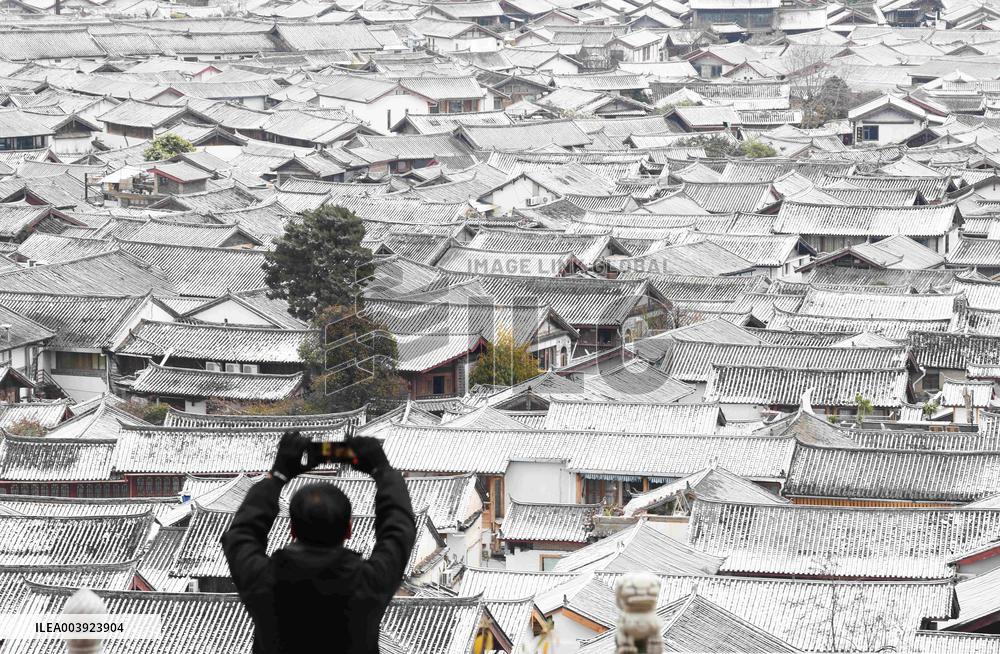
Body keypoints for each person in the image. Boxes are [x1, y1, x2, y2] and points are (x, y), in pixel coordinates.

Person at [221, 432, 416, 654]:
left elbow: (241, 533)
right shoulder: (369, 582)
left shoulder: (263, 579)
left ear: (291, 529)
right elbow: (399, 528)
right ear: (349, 530)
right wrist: (381, 469)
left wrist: (278, 476)